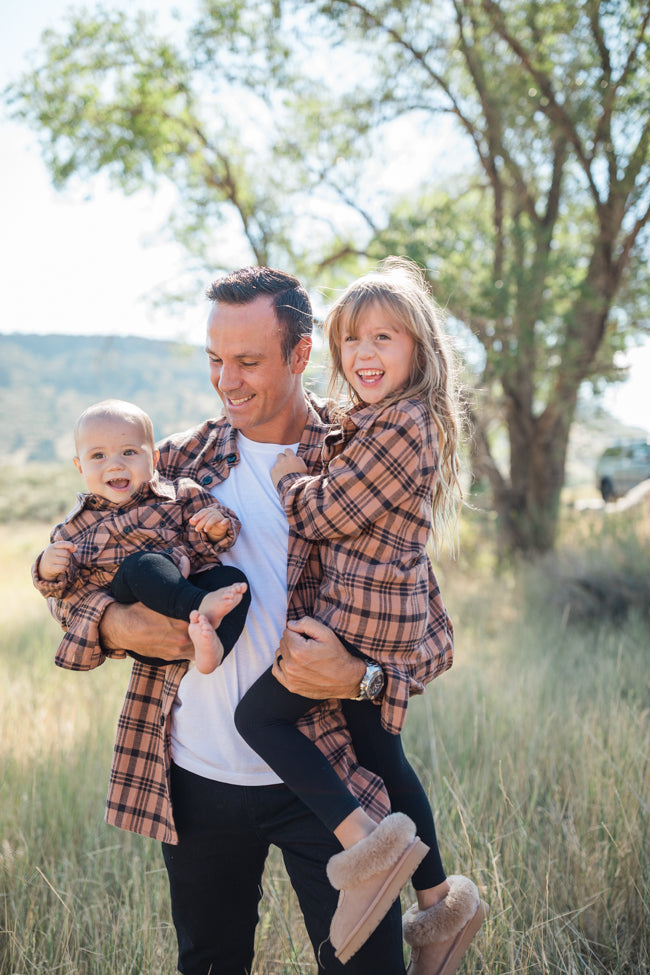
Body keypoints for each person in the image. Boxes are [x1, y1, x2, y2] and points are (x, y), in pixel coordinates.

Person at [44, 266, 454, 975]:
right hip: (196, 782)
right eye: (214, 359)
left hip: (327, 779)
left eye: (248, 361)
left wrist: (361, 676)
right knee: (209, 962)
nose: (226, 380)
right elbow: (71, 564)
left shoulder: (362, 457)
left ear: (300, 356)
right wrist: (112, 626)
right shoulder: (172, 462)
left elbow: (423, 634)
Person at [234, 258, 488, 971]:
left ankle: (367, 853)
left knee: (260, 718)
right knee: (380, 752)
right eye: (353, 340)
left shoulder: (404, 424)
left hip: (364, 618)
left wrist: (289, 474)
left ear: (420, 349)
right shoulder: (383, 420)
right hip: (378, 610)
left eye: (386, 338)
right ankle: (440, 904)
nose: (365, 354)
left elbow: (325, 511)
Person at [32, 399, 250, 673]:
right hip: (138, 615)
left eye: (129, 452)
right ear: (79, 467)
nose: (115, 465)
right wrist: (47, 569)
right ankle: (201, 606)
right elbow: (64, 591)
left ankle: (213, 648)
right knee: (142, 564)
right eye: (98, 456)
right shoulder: (74, 528)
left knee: (233, 581)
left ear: (154, 459)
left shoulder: (179, 494)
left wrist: (216, 527)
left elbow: (207, 540)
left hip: (188, 590)